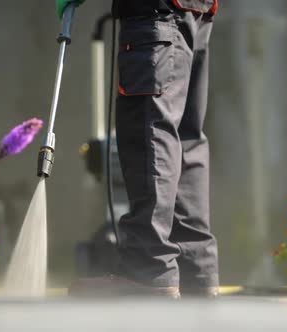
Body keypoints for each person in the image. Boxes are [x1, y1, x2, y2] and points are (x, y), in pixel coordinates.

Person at [60, 0, 219, 299]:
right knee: (185, 137)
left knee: (151, 127)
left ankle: (148, 269)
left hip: (155, 11)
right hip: (195, 9)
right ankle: (195, 271)